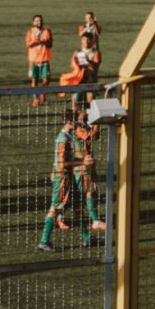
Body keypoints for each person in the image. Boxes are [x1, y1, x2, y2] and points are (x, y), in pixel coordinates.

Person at [38, 110, 81, 252]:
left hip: (63, 176)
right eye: (77, 120)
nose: (78, 123)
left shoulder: (67, 136)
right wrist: (82, 163)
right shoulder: (64, 139)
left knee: (69, 203)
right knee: (55, 208)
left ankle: (86, 237)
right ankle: (44, 241)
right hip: (62, 177)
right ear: (70, 122)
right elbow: (62, 164)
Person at [73, 111, 106, 240]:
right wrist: (96, 121)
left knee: (87, 196)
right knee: (88, 194)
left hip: (85, 167)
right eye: (81, 113)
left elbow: (95, 136)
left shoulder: (80, 127)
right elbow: (92, 136)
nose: (84, 113)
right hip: (81, 169)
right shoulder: (78, 129)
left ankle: (87, 236)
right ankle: (95, 221)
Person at [59, 33, 101, 108]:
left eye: (88, 40)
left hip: (91, 80)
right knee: (75, 102)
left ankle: (88, 118)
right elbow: (72, 66)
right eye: (84, 39)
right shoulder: (77, 52)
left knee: (90, 102)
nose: (86, 42)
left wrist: (88, 61)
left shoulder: (95, 52)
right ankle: (76, 117)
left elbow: (96, 65)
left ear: (91, 41)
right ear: (81, 40)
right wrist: (78, 64)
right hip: (79, 80)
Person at [25, 14, 53, 106]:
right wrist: (36, 40)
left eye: (40, 20)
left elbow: (50, 44)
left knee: (46, 80)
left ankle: (43, 94)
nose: (39, 22)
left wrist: (44, 41)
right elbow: (28, 44)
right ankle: (35, 99)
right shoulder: (30, 32)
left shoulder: (47, 31)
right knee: (34, 81)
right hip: (34, 60)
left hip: (44, 59)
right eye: (37, 21)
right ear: (33, 22)